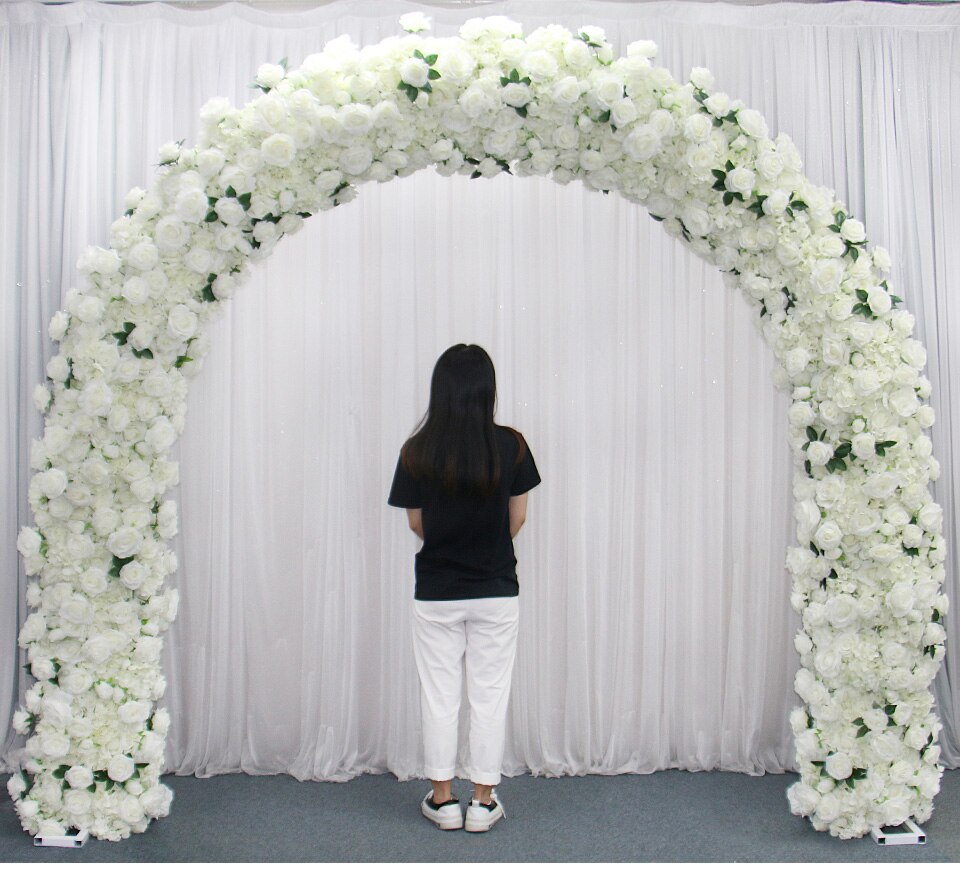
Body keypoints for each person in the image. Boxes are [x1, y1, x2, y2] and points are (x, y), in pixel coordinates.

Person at [388, 344, 541, 833]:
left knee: (439, 695)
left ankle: (442, 800)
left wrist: (452, 541)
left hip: (436, 590)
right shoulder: (511, 444)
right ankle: (482, 800)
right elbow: (516, 518)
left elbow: (417, 523)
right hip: (496, 587)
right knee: (489, 694)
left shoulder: (417, 450)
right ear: (487, 390)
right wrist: (485, 543)